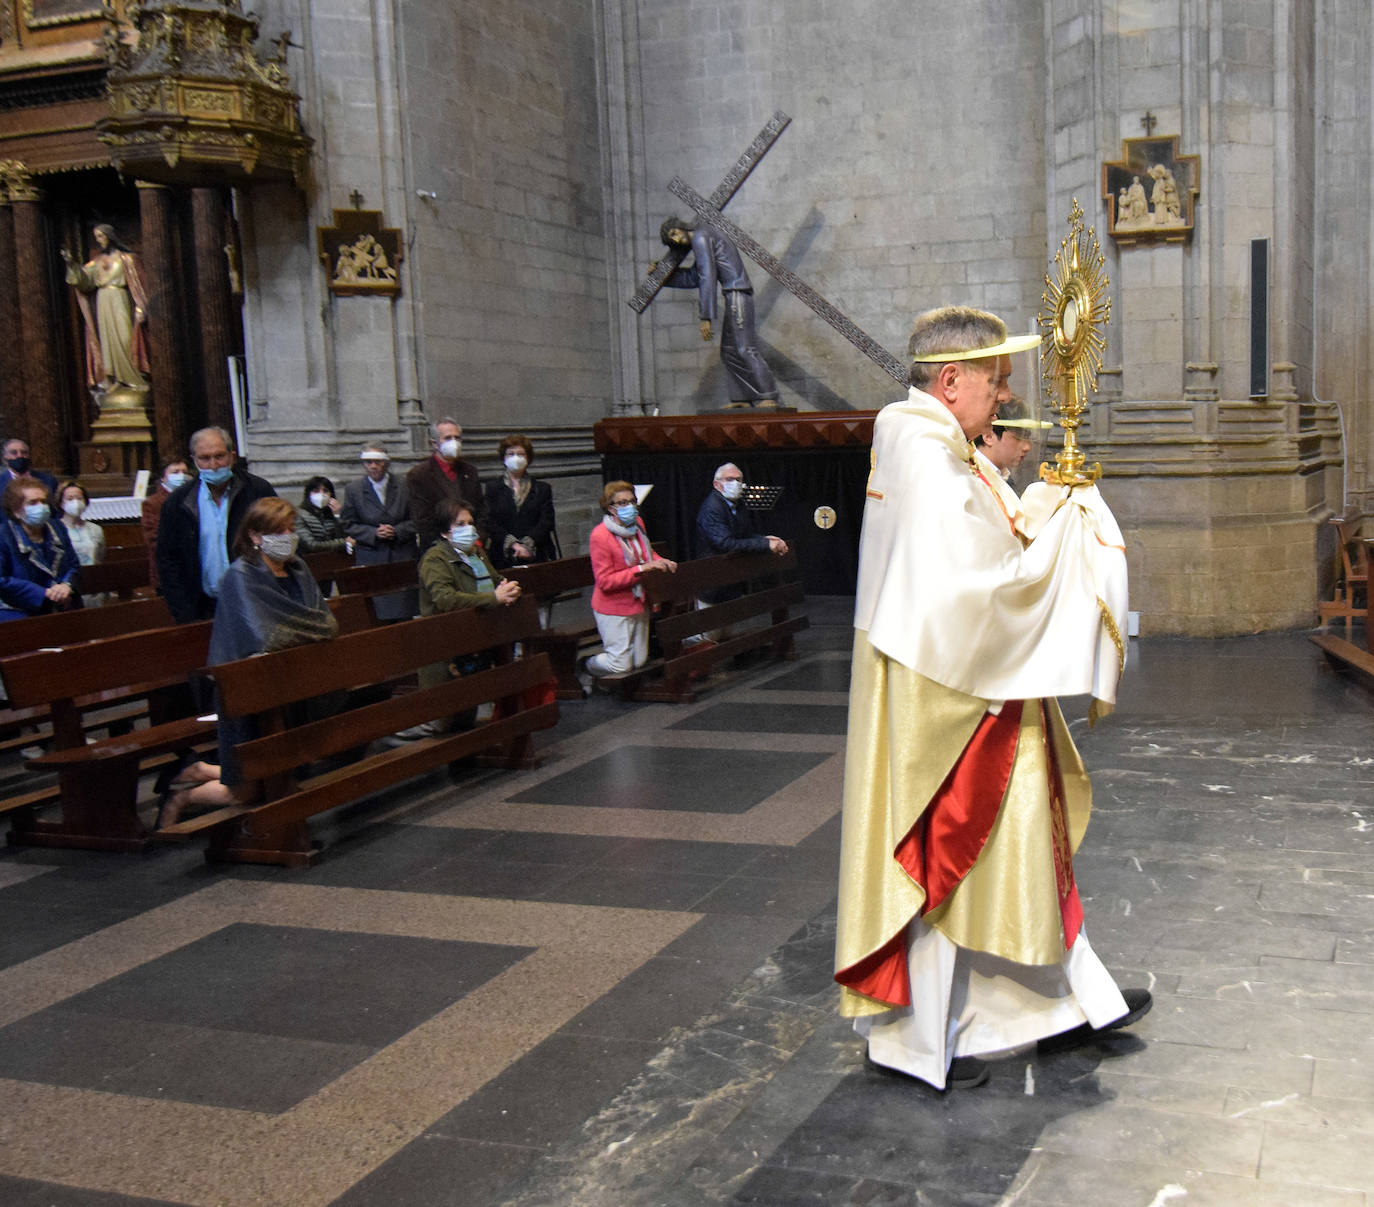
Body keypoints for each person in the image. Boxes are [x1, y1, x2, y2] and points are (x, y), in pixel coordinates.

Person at [833, 305, 1146, 1093]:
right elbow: (973, 585)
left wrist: (1053, 499)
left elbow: (995, 535)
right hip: (948, 702)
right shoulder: (919, 450)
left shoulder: (944, 448)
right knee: (948, 859)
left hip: (976, 683)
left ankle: (1060, 1007)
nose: (1005, 394)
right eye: (997, 378)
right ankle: (913, 1041)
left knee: (1021, 855)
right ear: (951, 380)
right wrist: (1064, 547)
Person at [155, 498, 337, 829]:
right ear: (255, 536)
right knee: (245, 792)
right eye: (278, 531)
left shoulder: (298, 569)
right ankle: (182, 796)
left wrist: (300, 632)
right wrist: (304, 631)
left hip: (292, 679)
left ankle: (201, 770)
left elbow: (327, 623)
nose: (288, 536)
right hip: (246, 689)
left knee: (275, 769)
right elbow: (265, 636)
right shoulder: (240, 576)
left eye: (291, 529)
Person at [392, 500, 520, 739]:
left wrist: (508, 588)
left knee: (465, 718)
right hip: (445, 643)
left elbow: (495, 581)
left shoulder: (475, 553)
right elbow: (446, 599)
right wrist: (493, 598)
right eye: (460, 524)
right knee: (442, 722)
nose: (468, 528)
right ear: (444, 530)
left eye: (470, 523)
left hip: (476, 637)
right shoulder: (435, 559)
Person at [155, 426, 277, 623]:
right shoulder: (179, 502)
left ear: (233, 456)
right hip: (203, 607)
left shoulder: (257, 490)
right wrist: (184, 612)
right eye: (204, 458)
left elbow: (278, 538)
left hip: (257, 601)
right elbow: (168, 558)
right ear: (194, 460)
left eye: (220, 456)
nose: (213, 465)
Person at [660, 217, 778, 408]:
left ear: (678, 228)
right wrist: (664, 277)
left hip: (738, 292)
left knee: (744, 348)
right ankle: (742, 398)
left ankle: (768, 395)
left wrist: (705, 316)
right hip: (733, 294)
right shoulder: (704, 235)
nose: (674, 241)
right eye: (670, 240)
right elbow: (695, 277)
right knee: (729, 351)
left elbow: (707, 275)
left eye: (672, 235)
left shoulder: (700, 236)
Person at [584, 480, 676, 683]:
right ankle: (587, 665)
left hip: (639, 601)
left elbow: (647, 553)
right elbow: (605, 581)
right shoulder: (600, 536)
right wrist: (642, 569)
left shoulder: (638, 525)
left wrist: (661, 561)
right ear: (611, 508)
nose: (630, 507)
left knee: (639, 661)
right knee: (620, 664)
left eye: (632, 501)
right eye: (623, 503)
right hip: (613, 606)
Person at [61, 224, 150, 393]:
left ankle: (133, 377)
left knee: (125, 337)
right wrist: (71, 263)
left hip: (119, 298)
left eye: (101, 236)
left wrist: (141, 307)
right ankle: (114, 377)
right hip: (103, 302)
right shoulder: (97, 261)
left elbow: (140, 285)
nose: (99, 241)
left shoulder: (127, 258)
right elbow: (83, 280)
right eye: (96, 238)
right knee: (107, 340)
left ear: (110, 236)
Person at [340, 444, 418, 622]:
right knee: (376, 613)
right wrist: (374, 533)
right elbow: (347, 524)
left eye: (377, 462)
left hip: (401, 555)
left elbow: (417, 519)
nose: (373, 466)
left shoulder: (404, 485)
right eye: (368, 462)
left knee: (404, 612)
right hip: (372, 558)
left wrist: (397, 531)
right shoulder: (354, 489)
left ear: (386, 463)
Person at [0, 478, 81, 620]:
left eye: (43, 501)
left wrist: (66, 586)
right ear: (16, 510)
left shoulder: (57, 528)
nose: (41, 507)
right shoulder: (4, 535)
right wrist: (44, 593)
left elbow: (73, 564)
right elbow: (2, 579)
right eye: (32, 503)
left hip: (64, 604)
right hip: (19, 611)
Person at [406, 417, 485, 552]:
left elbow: (481, 510)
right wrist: (451, 544)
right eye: (448, 438)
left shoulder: (470, 471)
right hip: (440, 549)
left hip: (473, 546)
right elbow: (422, 520)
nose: (454, 442)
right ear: (434, 443)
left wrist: (478, 538)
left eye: (457, 438)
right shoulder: (419, 475)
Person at [483, 433, 558, 568]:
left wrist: (527, 544)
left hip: (537, 553)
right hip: (502, 556)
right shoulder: (493, 488)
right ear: (503, 458)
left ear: (528, 458)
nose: (515, 458)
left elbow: (547, 520)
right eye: (511, 454)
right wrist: (513, 544)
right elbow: (489, 521)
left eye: (520, 454)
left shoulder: (542, 488)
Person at [142, 457, 192, 592]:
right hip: (169, 570)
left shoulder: (194, 497)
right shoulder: (153, 503)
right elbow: (155, 539)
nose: (181, 476)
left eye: (185, 472)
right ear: (163, 478)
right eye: (175, 472)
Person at [973, 398, 1034, 481]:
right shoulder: (971, 478)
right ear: (988, 436)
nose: (1027, 447)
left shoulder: (1003, 476)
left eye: (1027, 437)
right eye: (1019, 437)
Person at [295, 476, 354, 556]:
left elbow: (344, 536)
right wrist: (343, 543)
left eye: (325, 491)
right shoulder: (299, 514)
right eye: (316, 491)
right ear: (309, 494)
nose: (321, 494)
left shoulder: (330, 514)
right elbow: (311, 545)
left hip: (333, 558)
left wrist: (337, 516)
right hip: (309, 559)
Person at [0, 437, 59, 501]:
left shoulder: (48, 480)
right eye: (14, 453)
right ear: (4, 459)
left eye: (24, 452)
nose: (20, 455)